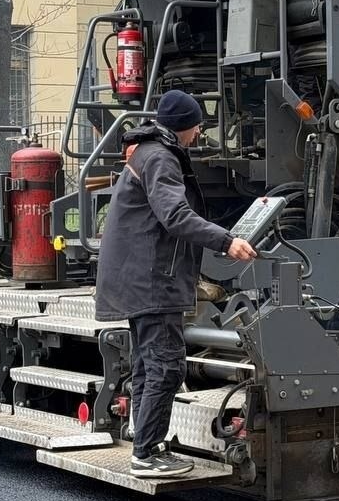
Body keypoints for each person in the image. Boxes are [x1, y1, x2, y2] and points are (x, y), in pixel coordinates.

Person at [94, 90, 257, 478]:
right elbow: (175, 215)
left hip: (139, 278)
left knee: (150, 365)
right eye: (198, 124)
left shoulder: (146, 153)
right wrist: (226, 240)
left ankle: (146, 444)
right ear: (186, 126)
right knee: (166, 366)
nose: (200, 131)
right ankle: (147, 454)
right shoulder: (161, 158)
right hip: (153, 281)